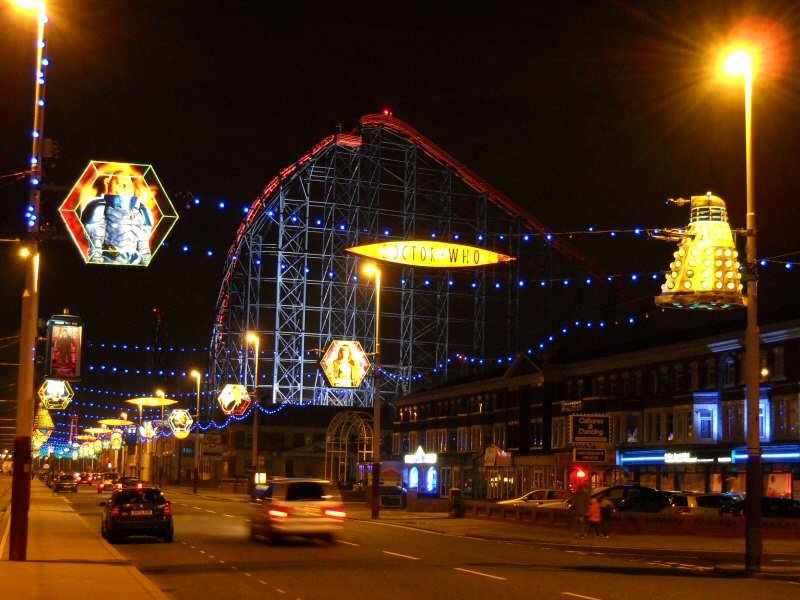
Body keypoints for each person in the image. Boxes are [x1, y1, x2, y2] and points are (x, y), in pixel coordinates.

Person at [81, 170, 154, 265]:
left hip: (136, 262)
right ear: (107, 182)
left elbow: (144, 243)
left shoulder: (143, 210)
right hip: (110, 260)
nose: (126, 188)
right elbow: (96, 243)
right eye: (120, 184)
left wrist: (145, 264)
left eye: (129, 184)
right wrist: (96, 263)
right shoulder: (99, 206)